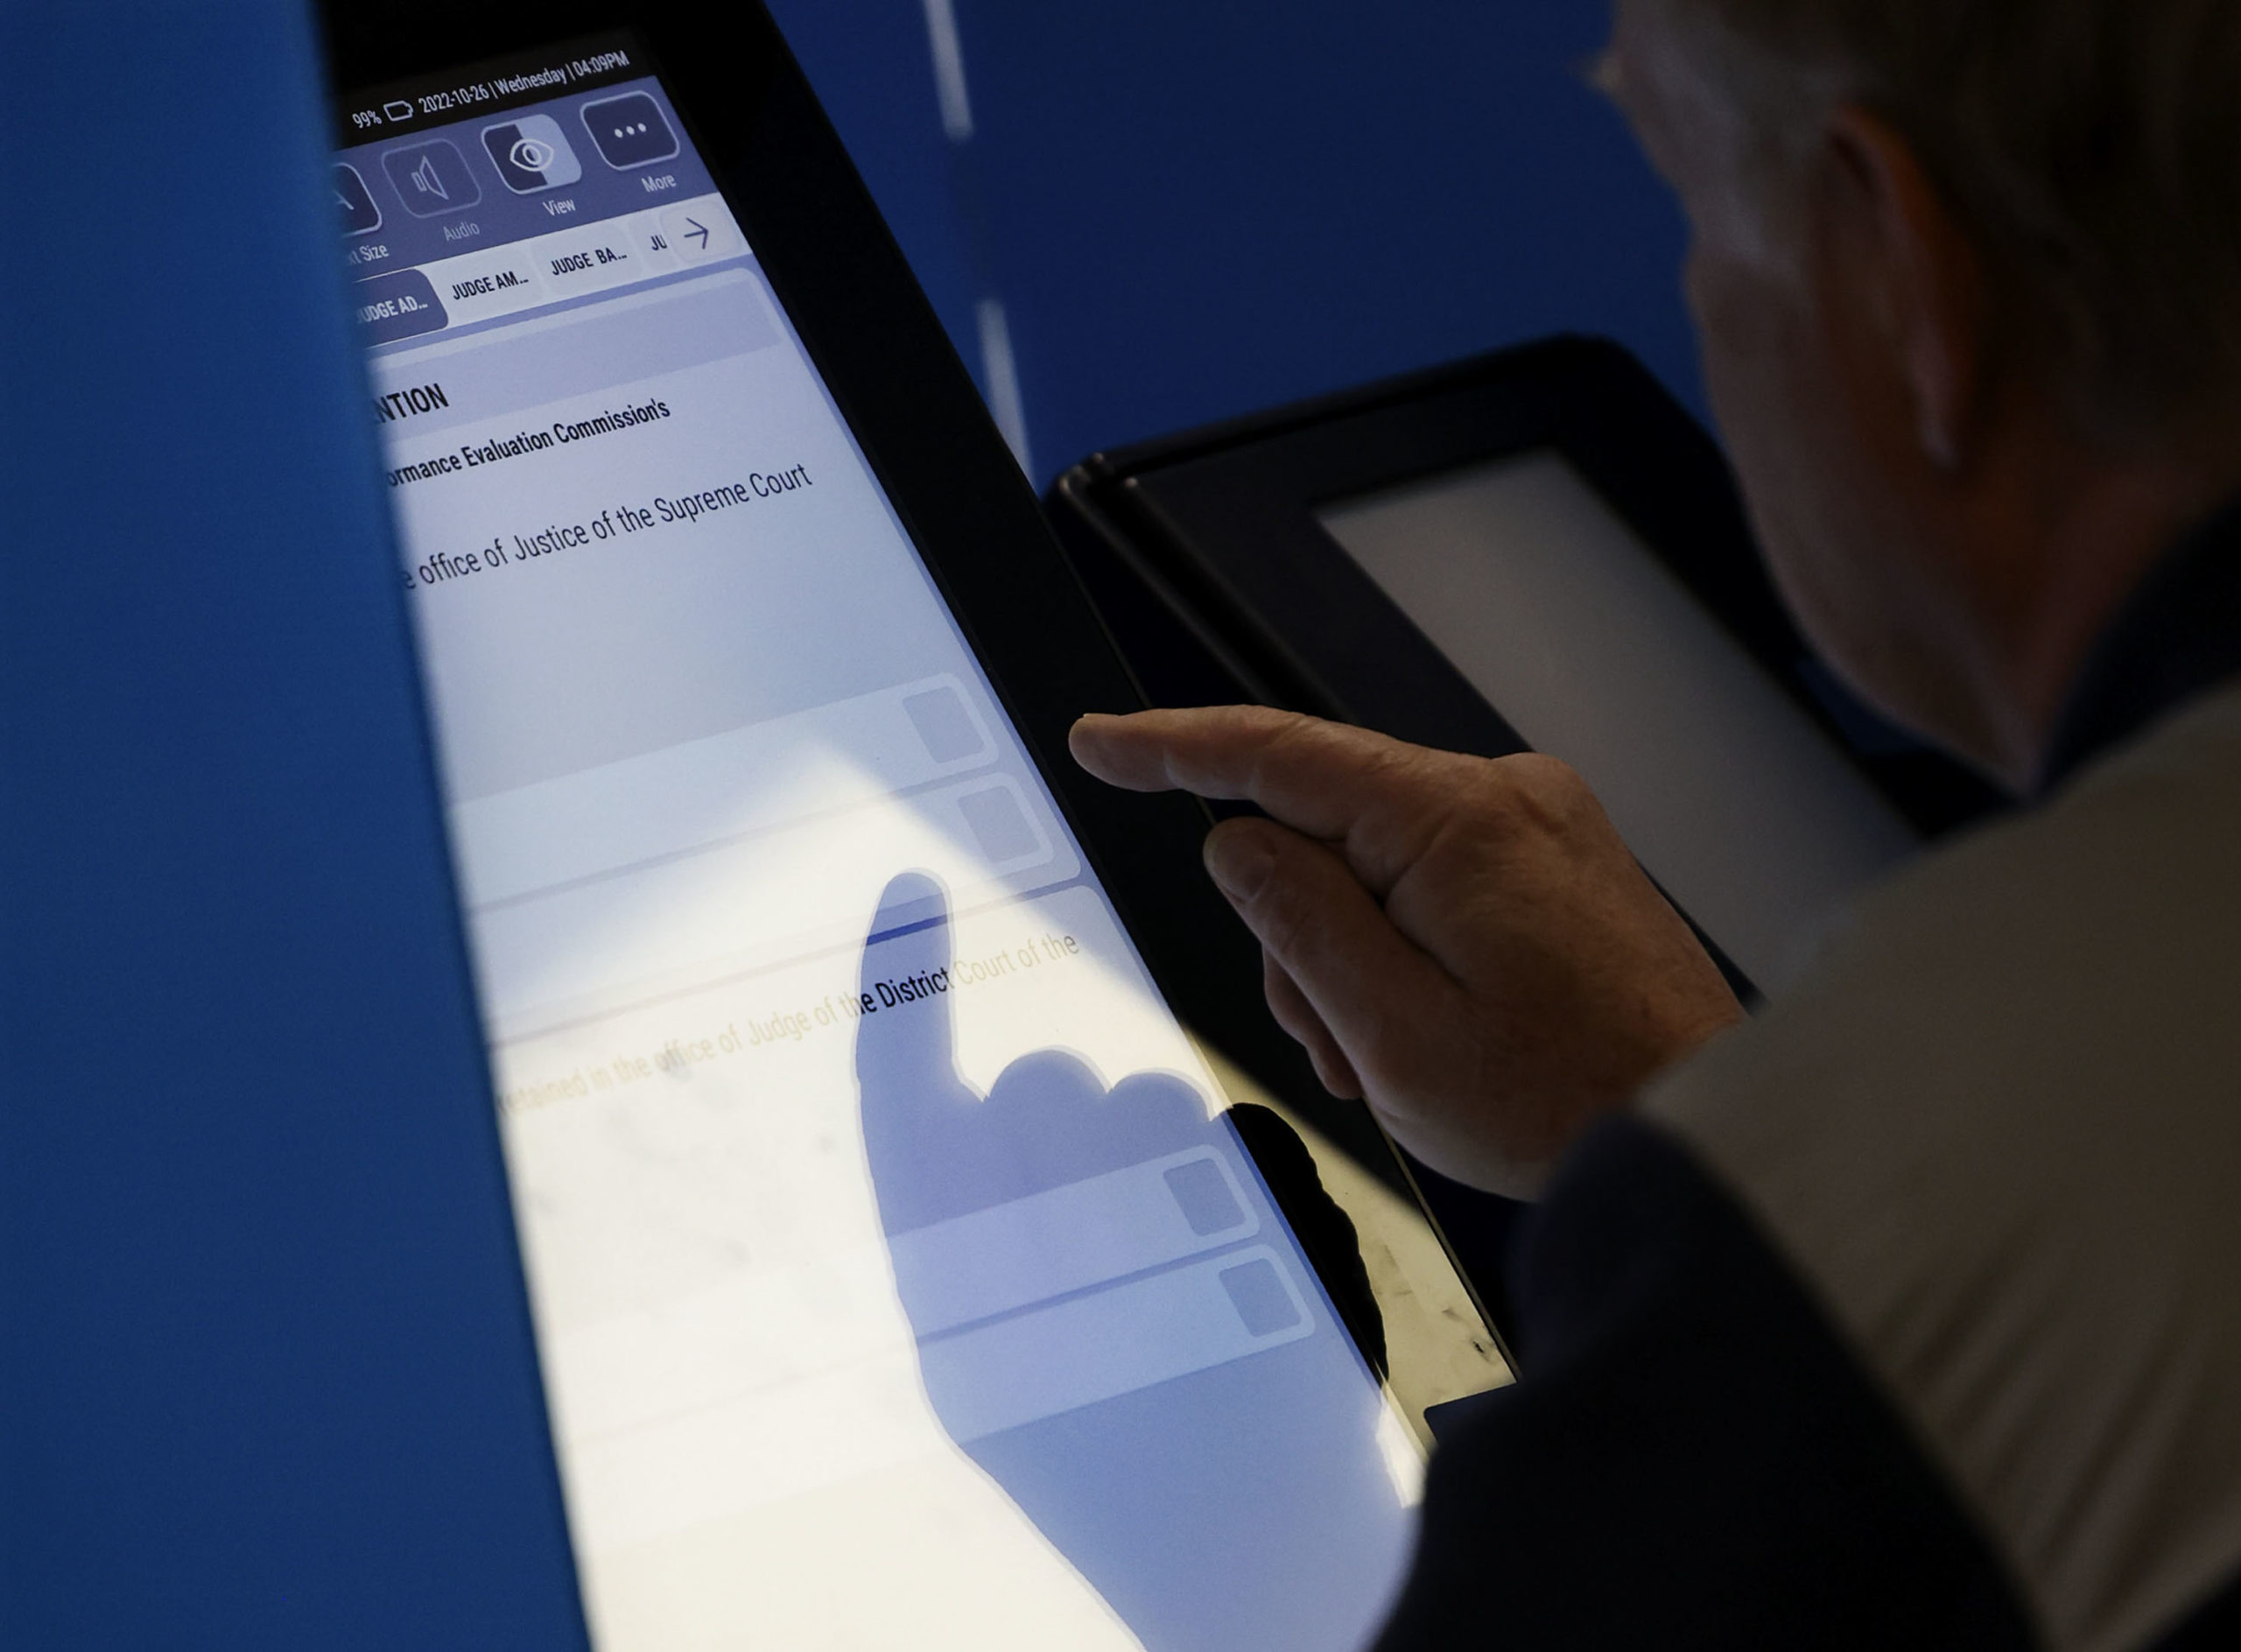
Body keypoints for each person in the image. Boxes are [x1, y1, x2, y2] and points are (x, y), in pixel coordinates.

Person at [1070, 1, 2241, 1645]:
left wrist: (1748, 1216)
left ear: (1901, 274)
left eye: (1699, 206)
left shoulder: (1890, 1252)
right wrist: (1689, 1111)